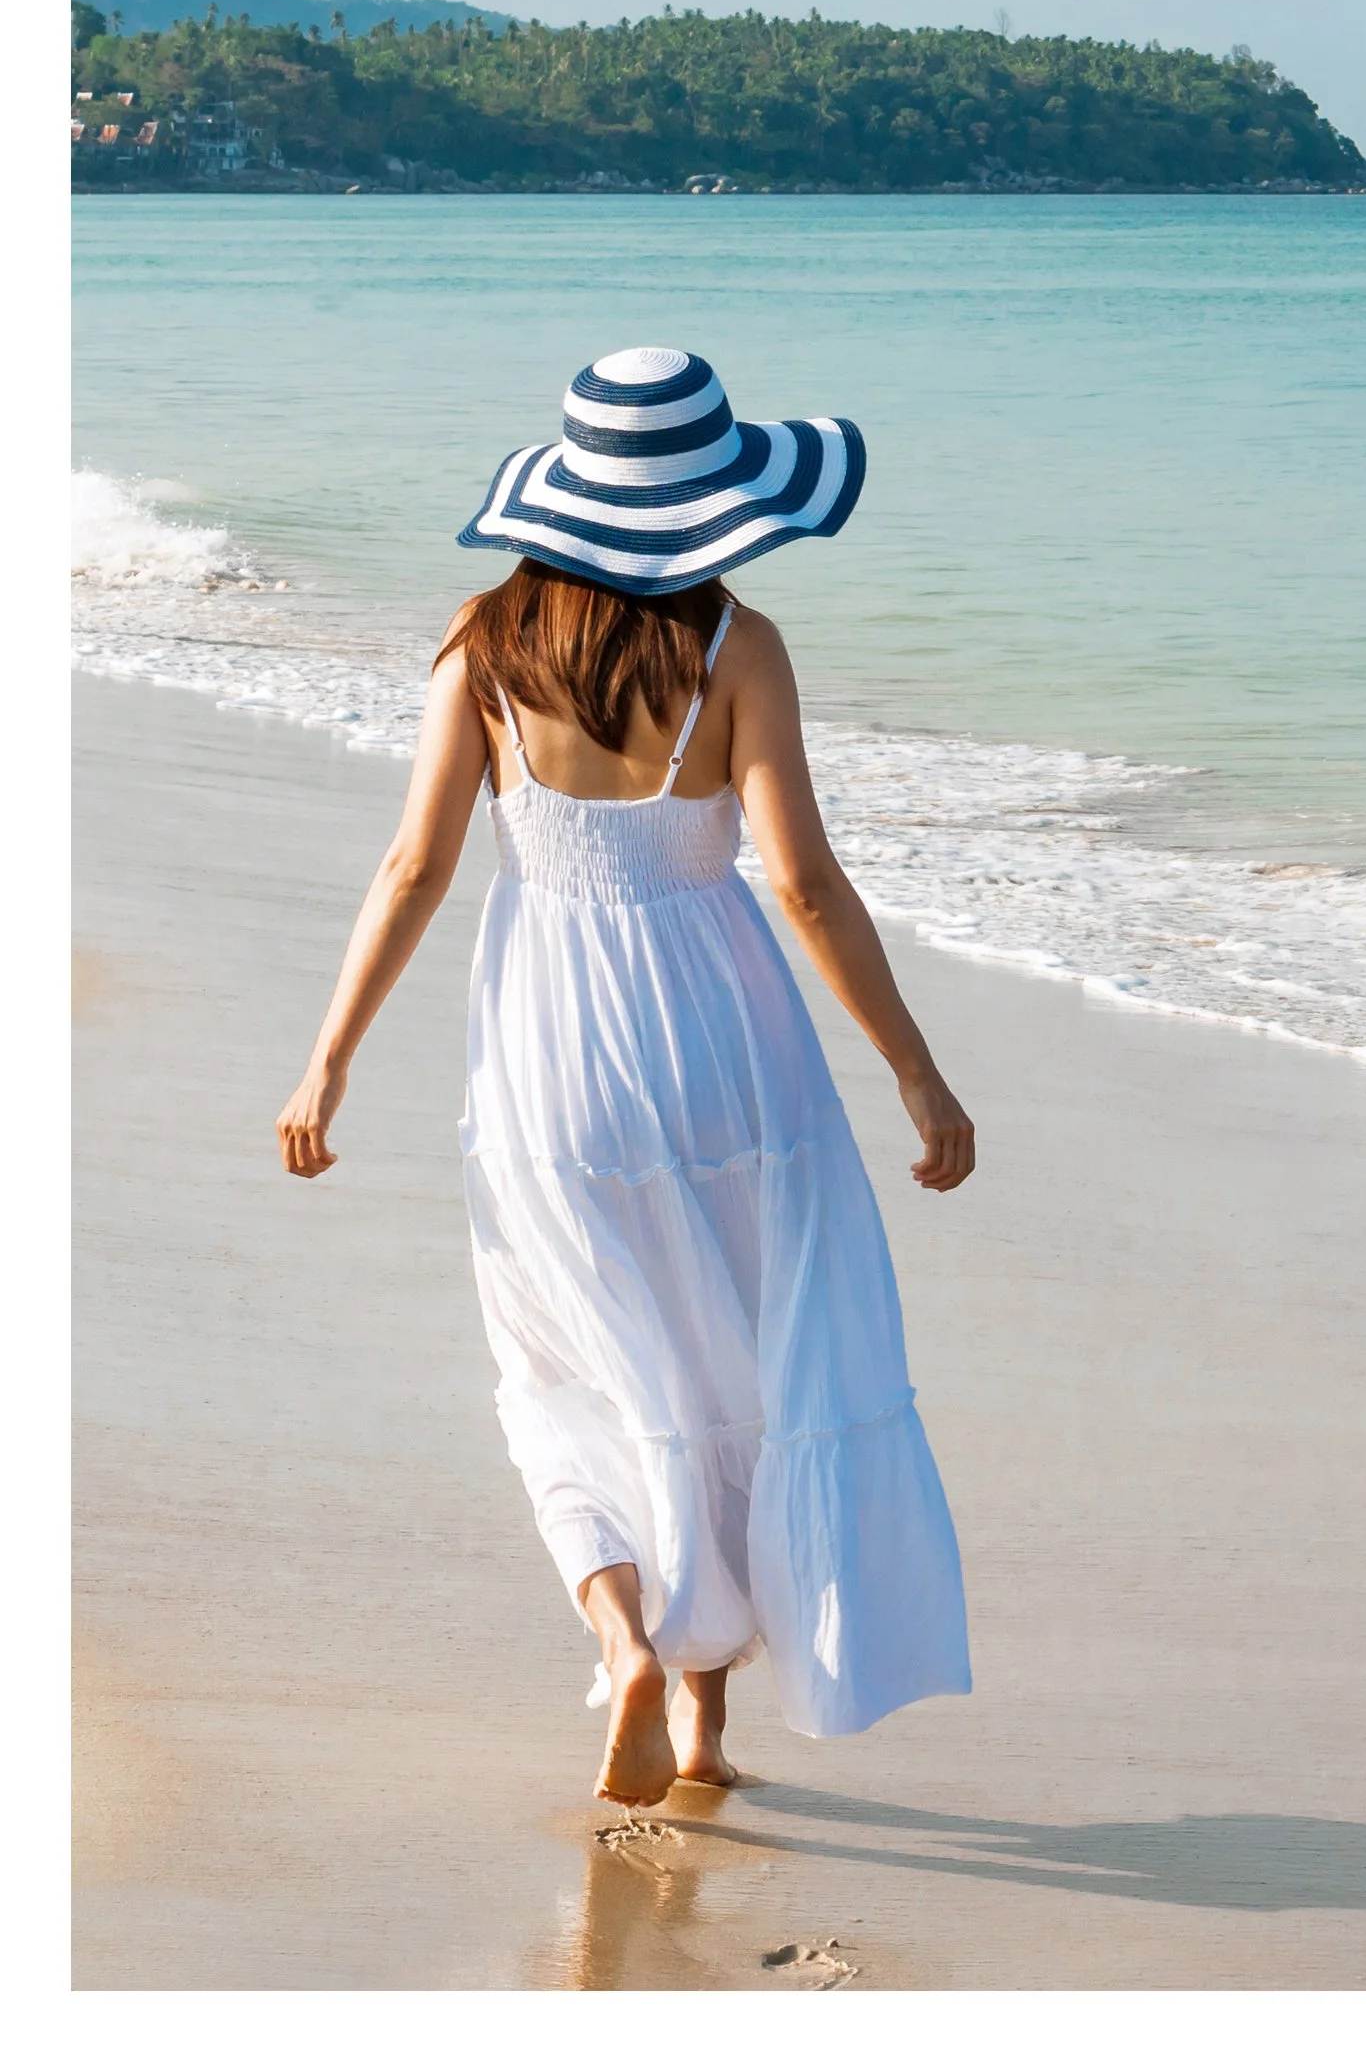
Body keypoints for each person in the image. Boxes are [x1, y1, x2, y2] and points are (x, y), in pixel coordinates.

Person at [277, 347, 974, 1807]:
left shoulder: (480, 642)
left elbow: (414, 864)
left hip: (547, 1045)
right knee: (728, 1365)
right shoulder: (743, 649)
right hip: (727, 1048)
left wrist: (326, 1063)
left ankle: (622, 1637)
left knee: (569, 1368)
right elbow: (800, 885)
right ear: (717, 504)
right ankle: (707, 1732)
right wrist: (915, 1073)